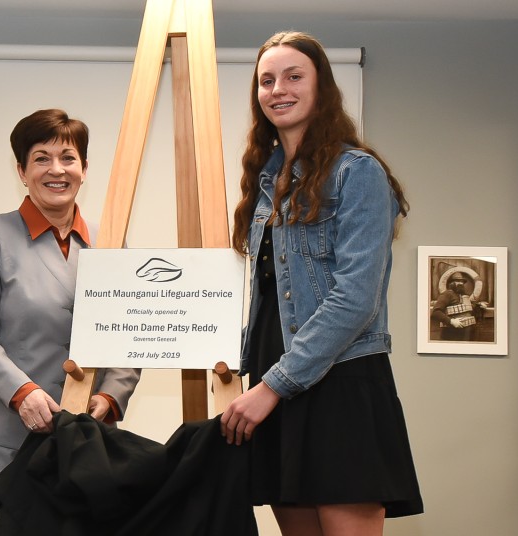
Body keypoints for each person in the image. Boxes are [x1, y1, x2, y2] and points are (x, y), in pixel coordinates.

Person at [220, 31, 423, 535]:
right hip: (274, 384)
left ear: (321, 88)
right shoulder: (266, 183)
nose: (278, 89)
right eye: (267, 80)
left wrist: (272, 386)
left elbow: (356, 299)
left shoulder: (358, 173)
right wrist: (256, 379)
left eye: (293, 76)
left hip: (339, 387)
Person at [0, 108, 141, 536]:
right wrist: (23, 392)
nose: (57, 170)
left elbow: (128, 335)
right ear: (21, 170)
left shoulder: (111, 243)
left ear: (84, 169)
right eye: (41, 158)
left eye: (68, 158)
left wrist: (111, 395)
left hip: (78, 438)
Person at [430, 271, 487, 341]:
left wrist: (479, 306)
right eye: (457, 281)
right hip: (451, 334)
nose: (460, 283)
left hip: (465, 334)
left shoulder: (463, 296)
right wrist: (451, 321)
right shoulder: (447, 294)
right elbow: (435, 312)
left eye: (462, 281)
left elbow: (467, 312)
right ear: (451, 283)